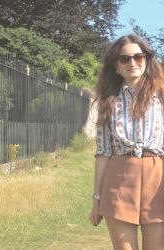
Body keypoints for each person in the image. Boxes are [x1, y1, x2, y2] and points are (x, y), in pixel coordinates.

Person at [89, 34, 164, 250]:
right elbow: (103, 152)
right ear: (116, 66)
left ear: (147, 60)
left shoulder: (161, 97)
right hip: (118, 178)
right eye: (125, 59)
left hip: (157, 177)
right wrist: (96, 199)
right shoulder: (108, 101)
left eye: (138, 57)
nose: (132, 63)